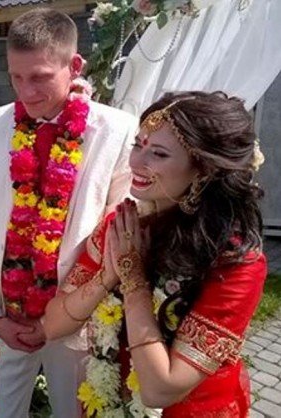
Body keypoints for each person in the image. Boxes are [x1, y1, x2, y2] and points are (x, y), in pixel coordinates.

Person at [41, 91, 267, 417]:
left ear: (203, 170)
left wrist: (133, 280)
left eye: (158, 153)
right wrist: (107, 277)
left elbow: (160, 389)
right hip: (109, 401)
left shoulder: (235, 263)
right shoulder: (122, 227)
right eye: (138, 145)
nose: (135, 162)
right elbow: (53, 324)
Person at [0, 8, 138, 417]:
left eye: (40, 77)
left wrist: (60, 318)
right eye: (16, 77)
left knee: (72, 411)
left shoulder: (118, 131)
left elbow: (115, 239)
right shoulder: (0, 122)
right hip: (10, 311)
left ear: (74, 66)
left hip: (75, 320)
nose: (26, 92)